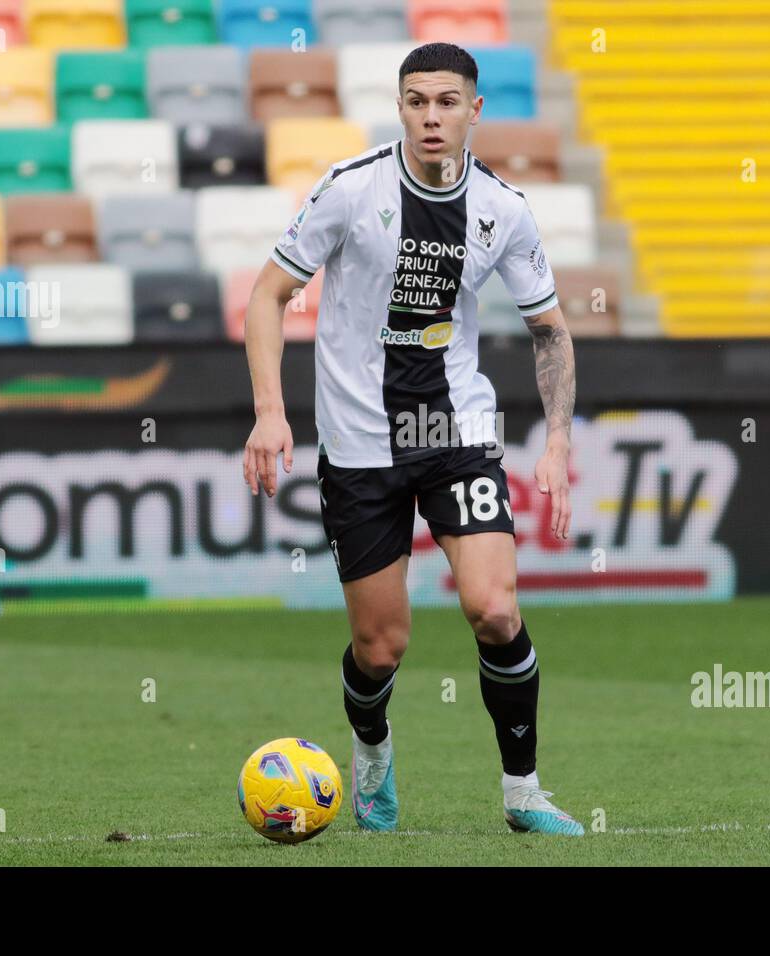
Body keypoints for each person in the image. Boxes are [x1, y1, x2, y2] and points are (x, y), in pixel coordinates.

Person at [242, 42, 581, 836]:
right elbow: (269, 296)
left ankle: (524, 791)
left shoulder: (504, 209)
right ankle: (371, 756)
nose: (431, 116)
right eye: (417, 101)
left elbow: (551, 333)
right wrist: (268, 409)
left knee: (495, 610)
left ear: (474, 111)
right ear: (400, 107)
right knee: (382, 647)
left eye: (447, 102)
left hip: (454, 428)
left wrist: (558, 441)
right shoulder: (349, 191)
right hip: (359, 444)